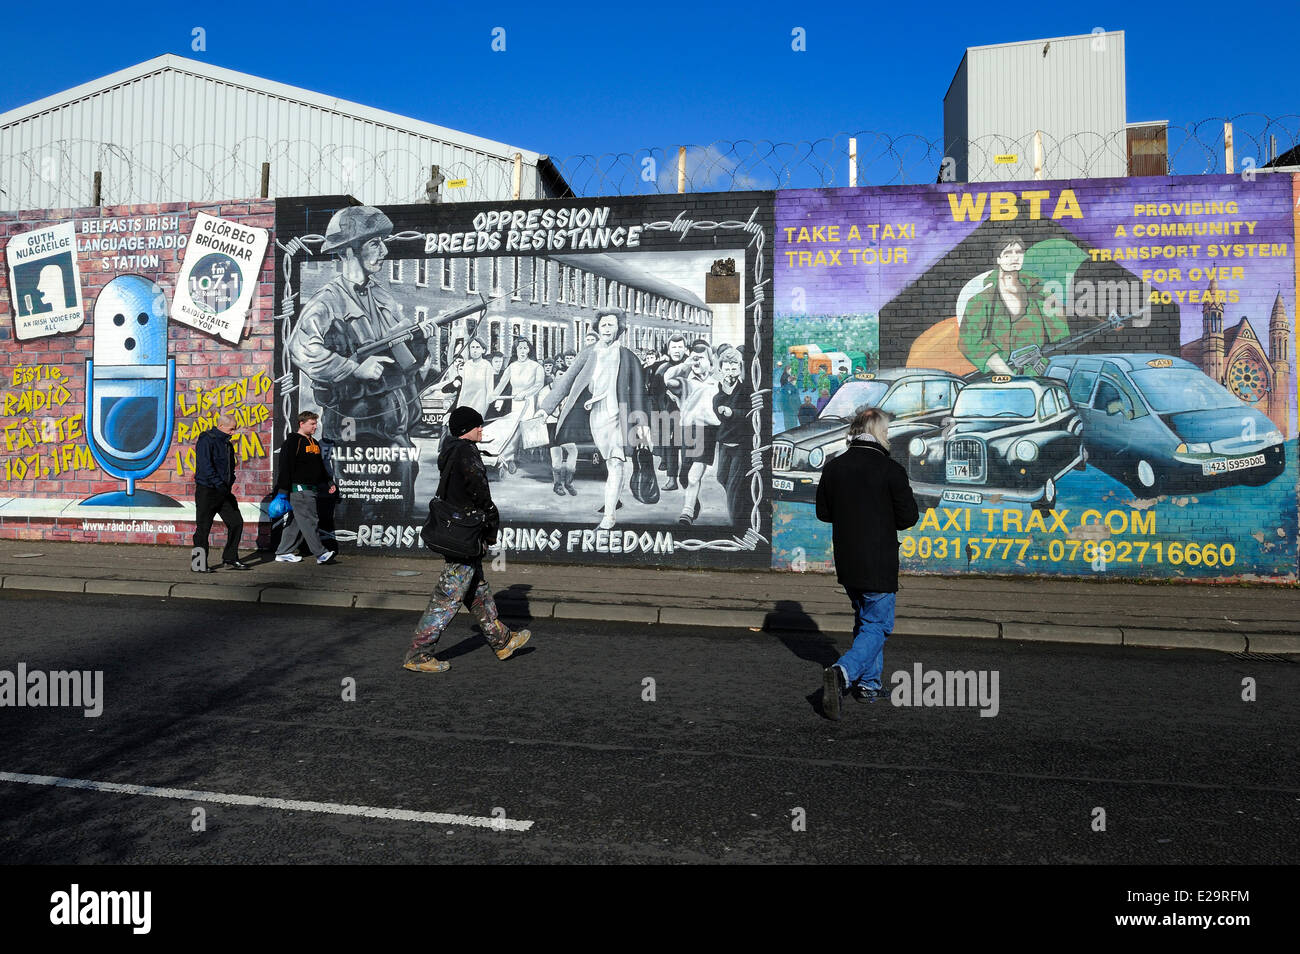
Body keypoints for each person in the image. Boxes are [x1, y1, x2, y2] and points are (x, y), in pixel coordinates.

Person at [286, 206, 434, 524]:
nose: (383, 250)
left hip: (392, 428)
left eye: (382, 242)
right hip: (353, 431)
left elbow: (405, 357)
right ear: (350, 251)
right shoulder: (327, 302)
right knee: (350, 509)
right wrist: (354, 367)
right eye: (374, 243)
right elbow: (301, 348)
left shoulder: (382, 296)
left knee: (399, 504)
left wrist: (421, 340)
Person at [403, 406, 531, 673]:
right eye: (478, 426)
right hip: (465, 534)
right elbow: (479, 492)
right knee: (447, 597)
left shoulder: (450, 450)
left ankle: (502, 640)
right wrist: (491, 518)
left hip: (458, 532)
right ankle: (419, 653)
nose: (482, 430)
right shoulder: (466, 453)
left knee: (478, 592)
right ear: (465, 430)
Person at [815, 407, 919, 720]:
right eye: (885, 430)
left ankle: (869, 684)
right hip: (879, 561)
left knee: (865, 619)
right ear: (876, 431)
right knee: (878, 623)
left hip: (847, 559)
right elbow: (908, 518)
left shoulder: (835, 467)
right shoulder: (890, 469)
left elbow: (823, 512)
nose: (888, 435)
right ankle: (843, 673)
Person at [539, 309, 651, 529]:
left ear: (620, 329)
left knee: (616, 462)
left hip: (620, 415)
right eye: (604, 325)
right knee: (611, 462)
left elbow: (639, 393)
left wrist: (642, 425)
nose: (607, 329)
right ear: (598, 328)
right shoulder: (588, 353)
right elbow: (566, 382)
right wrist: (545, 409)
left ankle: (609, 516)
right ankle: (612, 504)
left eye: (611, 325)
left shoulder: (628, 356)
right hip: (593, 414)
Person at [958, 235, 1069, 376]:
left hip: (1041, 373)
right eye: (1007, 253)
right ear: (998, 259)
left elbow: (1061, 337)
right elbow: (970, 342)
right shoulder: (981, 301)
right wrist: (1008, 375)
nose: (1014, 257)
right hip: (999, 378)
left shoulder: (1041, 293)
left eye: (1019, 252)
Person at [663, 342, 720, 526]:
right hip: (687, 430)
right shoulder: (685, 381)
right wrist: (685, 364)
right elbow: (667, 379)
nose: (696, 361)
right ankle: (692, 500)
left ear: (710, 362)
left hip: (707, 431)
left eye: (701, 357)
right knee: (684, 477)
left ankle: (686, 513)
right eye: (694, 357)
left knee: (694, 475)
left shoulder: (717, 382)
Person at [273, 411, 337, 566]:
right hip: (299, 490)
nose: (315, 426)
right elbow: (285, 466)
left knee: (296, 523)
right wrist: (282, 491)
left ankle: (283, 552)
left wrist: (329, 482)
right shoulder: (293, 442)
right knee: (310, 521)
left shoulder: (313, 442)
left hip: (310, 489)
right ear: (302, 424)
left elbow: (320, 467)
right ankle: (321, 554)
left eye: (316, 423)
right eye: (312, 423)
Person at [192, 413, 248, 571]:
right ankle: (198, 564)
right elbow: (205, 466)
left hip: (223, 491)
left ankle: (230, 558)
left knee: (236, 522)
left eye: (234, 429)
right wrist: (219, 484)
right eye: (231, 429)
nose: (233, 432)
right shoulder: (206, 440)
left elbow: (230, 468)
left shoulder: (227, 444)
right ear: (221, 426)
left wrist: (229, 483)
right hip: (207, 491)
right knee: (203, 528)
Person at [490, 338, 547, 473]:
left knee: (520, 428)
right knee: (508, 428)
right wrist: (491, 397)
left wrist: (525, 393)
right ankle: (505, 458)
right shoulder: (512, 367)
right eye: (519, 348)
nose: (522, 351)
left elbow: (539, 384)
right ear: (516, 350)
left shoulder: (536, 366)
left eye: (525, 348)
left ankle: (508, 457)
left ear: (529, 350)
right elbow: (501, 386)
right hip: (514, 403)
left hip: (529, 403)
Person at [712, 347, 753, 525]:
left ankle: (736, 522)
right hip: (725, 443)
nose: (731, 373)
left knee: (733, 487)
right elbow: (717, 410)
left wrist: (733, 413)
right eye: (727, 369)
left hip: (740, 444)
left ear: (740, 368)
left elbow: (749, 412)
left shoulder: (746, 390)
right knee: (721, 477)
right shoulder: (720, 391)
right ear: (721, 370)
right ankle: (743, 505)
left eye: (734, 369)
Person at [650, 334, 689, 490]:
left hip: (689, 413)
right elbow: (654, 393)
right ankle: (672, 479)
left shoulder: (691, 365)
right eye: (674, 347)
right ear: (668, 348)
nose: (677, 350)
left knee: (689, 446)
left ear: (685, 349)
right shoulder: (662, 368)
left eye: (680, 347)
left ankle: (685, 476)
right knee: (671, 445)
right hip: (669, 413)